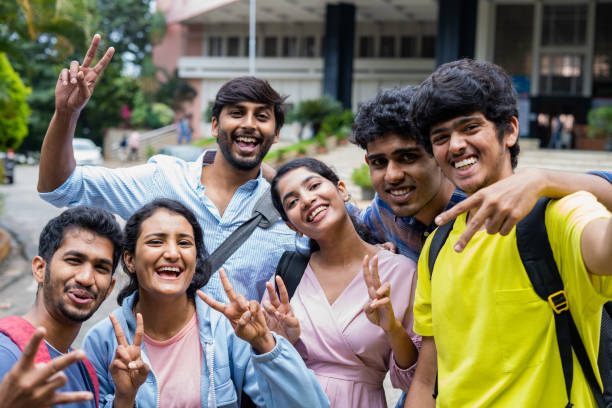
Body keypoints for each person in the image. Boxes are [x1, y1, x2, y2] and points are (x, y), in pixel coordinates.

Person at [405, 59, 612, 407]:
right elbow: (427, 379)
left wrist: (548, 179)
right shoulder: (438, 246)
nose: (455, 145)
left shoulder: (559, 215)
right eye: (440, 137)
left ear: (510, 130)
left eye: (470, 127)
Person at [37, 34, 296, 302]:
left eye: (262, 117)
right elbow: (59, 187)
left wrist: (284, 185)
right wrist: (66, 114)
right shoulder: (163, 179)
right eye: (237, 113)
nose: (250, 124)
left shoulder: (288, 214)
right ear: (216, 125)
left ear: (275, 133)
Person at [83, 198, 329, 407]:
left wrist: (265, 342)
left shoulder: (229, 331)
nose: (172, 253)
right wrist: (124, 399)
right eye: (156, 242)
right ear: (130, 260)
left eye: (184, 243)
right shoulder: (102, 341)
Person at [263, 158, 419, 407]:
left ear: (342, 190)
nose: (307, 200)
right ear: (292, 226)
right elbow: (268, 372)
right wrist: (280, 340)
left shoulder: (401, 272)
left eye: (313, 186)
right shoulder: (287, 277)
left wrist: (393, 329)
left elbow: (414, 379)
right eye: (292, 201)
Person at [0, 206, 123, 407]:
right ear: (40, 269)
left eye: (101, 268)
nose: (86, 278)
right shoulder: (6, 354)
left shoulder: (84, 371)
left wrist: (124, 397)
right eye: (74, 260)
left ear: (109, 288)